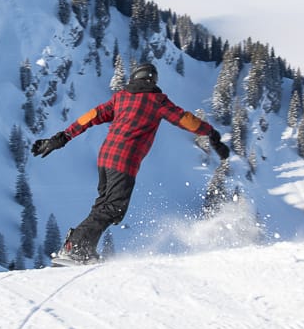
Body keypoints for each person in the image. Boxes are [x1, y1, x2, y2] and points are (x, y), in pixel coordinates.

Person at [31, 62, 229, 263]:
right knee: (112, 208)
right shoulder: (156, 101)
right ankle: (75, 248)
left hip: (105, 158)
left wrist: (63, 137)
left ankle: (84, 249)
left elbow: (92, 116)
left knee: (103, 205)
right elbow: (186, 119)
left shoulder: (121, 98)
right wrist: (212, 134)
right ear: (153, 80)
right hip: (124, 162)